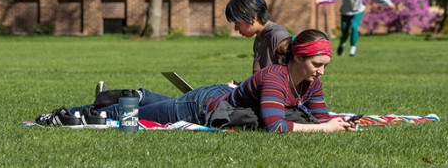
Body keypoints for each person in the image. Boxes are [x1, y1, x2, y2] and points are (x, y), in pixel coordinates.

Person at [40, 29, 355, 133]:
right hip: (203, 106)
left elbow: (321, 118)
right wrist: (324, 128)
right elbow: (276, 126)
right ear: (298, 58)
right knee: (133, 118)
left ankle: (137, 93)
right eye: (317, 64)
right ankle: (71, 116)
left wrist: (335, 124)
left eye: (325, 65)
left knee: (156, 104)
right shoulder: (275, 77)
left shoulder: (311, 81)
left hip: (212, 102)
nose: (321, 71)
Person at [315, 0, 395, 57]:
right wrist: (320, 0)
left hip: (358, 10)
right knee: (344, 32)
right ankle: (342, 44)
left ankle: (353, 48)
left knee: (354, 27)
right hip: (346, 12)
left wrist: (388, 2)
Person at [225, 0, 291, 73]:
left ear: (253, 17)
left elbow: (289, 78)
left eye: (237, 23)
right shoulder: (259, 38)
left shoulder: (279, 36)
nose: (236, 28)